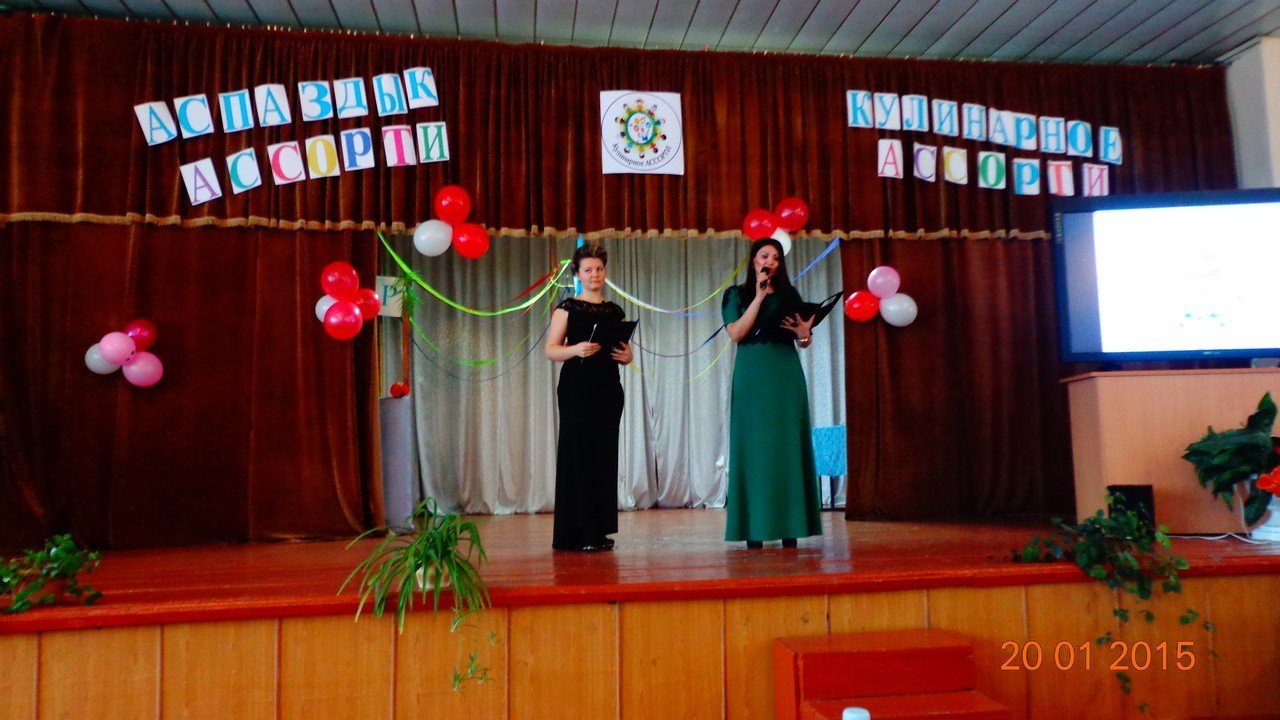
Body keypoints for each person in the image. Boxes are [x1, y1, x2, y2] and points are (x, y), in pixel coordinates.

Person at [721, 237, 823, 549]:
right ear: (753, 260)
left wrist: (804, 335)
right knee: (755, 447)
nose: (770, 261)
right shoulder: (736, 294)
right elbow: (736, 333)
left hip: (785, 374)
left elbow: (803, 341)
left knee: (787, 445)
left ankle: (791, 526)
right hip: (753, 375)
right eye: (765, 255)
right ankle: (754, 528)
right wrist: (758, 296)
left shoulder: (790, 295)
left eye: (776, 257)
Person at [545, 244, 633, 551]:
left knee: (603, 457)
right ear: (578, 274)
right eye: (588, 270)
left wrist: (628, 357)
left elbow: (621, 351)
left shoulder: (615, 311)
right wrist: (576, 349)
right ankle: (577, 532)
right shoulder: (567, 308)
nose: (594, 274)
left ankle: (598, 528)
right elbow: (551, 350)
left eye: (599, 269)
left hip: (608, 389)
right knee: (578, 455)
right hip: (576, 389)